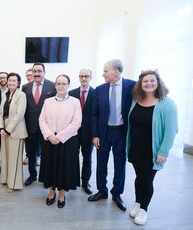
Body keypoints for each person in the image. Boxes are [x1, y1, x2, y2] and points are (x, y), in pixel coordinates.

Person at [126, 70, 178, 225]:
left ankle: (144, 209)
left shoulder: (167, 103)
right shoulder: (137, 100)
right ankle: (138, 202)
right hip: (135, 148)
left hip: (152, 151)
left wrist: (163, 151)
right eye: (145, 81)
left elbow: (171, 130)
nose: (148, 83)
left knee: (146, 179)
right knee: (139, 177)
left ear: (158, 83)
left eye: (152, 81)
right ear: (140, 84)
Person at [89, 59, 136, 212]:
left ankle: (117, 193)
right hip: (103, 133)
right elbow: (94, 114)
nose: (103, 74)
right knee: (101, 164)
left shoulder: (132, 86)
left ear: (116, 72)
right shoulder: (100, 89)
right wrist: (95, 135)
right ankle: (102, 191)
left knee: (119, 165)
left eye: (105, 71)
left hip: (121, 133)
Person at [39, 74, 82, 208]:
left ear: (68, 85)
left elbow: (76, 123)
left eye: (64, 83)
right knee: (50, 166)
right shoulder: (48, 101)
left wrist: (60, 137)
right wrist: (50, 135)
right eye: (58, 83)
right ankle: (51, 192)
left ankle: (62, 195)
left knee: (65, 168)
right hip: (49, 140)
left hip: (67, 141)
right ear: (55, 85)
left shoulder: (75, 102)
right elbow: (42, 119)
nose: (61, 86)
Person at [22, 63, 56, 186]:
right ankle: (32, 175)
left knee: (46, 154)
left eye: (39, 71)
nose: (36, 73)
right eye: (34, 71)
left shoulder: (52, 86)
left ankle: (46, 177)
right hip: (30, 127)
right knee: (31, 153)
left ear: (44, 72)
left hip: (46, 128)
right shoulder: (25, 87)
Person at [0, 72, 27, 192]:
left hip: (15, 130)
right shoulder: (5, 94)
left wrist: (8, 130)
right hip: (5, 129)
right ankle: (6, 179)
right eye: (10, 80)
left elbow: (19, 114)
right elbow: (0, 112)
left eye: (14, 81)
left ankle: (14, 185)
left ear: (18, 83)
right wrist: (1, 128)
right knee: (6, 157)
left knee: (14, 159)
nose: (11, 83)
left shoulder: (21, 95)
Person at [69, 69, 95, 195]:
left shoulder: (96, 93)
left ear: (91, 77)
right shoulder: (72, 93)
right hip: (73, 132)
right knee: (72, 157)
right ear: (79, 78)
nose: (84, 78)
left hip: (88, 133)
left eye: (86, 76)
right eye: (81, 76)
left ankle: (85, 182)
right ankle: (72, 180)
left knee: (87, 158)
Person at [0, 71, 8, 173]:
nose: (2, 79)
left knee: (9, 145)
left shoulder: (12, 90)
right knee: (1, 144)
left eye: (4, 77)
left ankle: (10, 165)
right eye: (0, 78)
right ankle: (3, 164)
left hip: (9, 122)